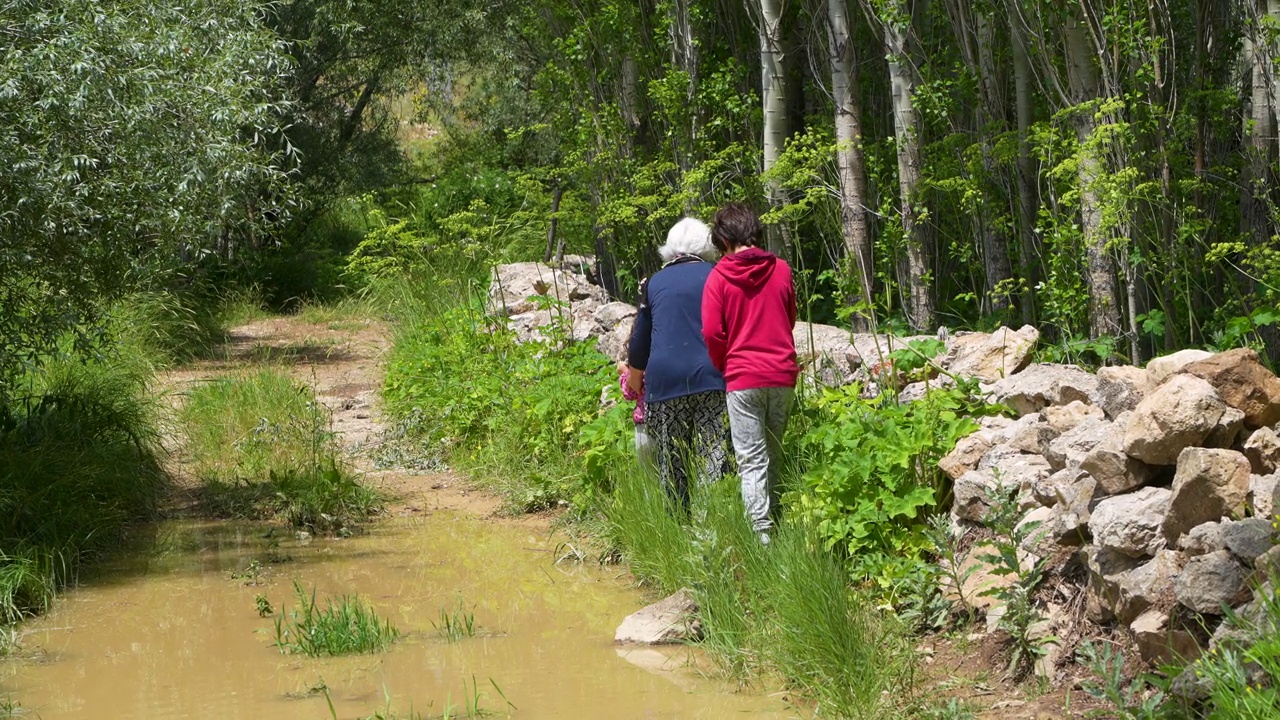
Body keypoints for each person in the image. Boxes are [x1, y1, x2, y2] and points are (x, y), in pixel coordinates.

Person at [701, 203, 799, 544]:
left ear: (725, 238)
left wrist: (724, 364)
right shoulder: (782, 270)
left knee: (751, 460)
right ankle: (776, 521)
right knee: (773, 453)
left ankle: (761, 537)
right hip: (782, 373)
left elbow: (713, 332)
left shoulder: (718, 277)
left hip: (743, 377)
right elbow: (789, 318)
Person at [627, 217, 727, 509]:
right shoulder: (717, 275)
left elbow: (639, 340)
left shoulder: (654, 282)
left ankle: (677, 527)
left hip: (665, 381)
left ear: (668, 249)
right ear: (707, 245)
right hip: (713, 377)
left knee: (672, 465)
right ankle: (712, 527)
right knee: (714, 459)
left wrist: (635, 379)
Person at [617, 360, 655, 471]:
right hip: (670, 417)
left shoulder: (641, 359)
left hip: (644, 424)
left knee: (649, 474)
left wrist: (624, 373)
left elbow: (631, 392)